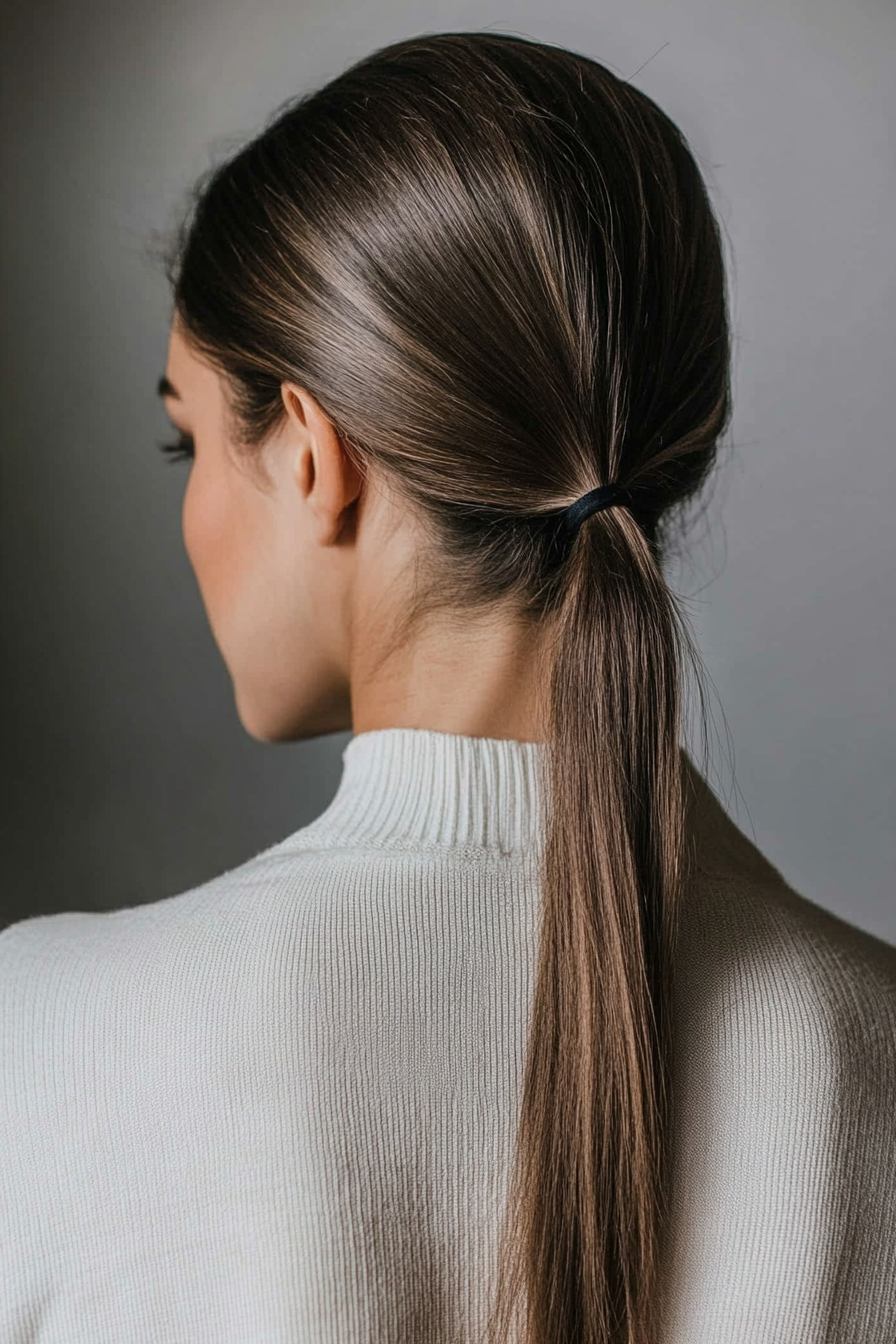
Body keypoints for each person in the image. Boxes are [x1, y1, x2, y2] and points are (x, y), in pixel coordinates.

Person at [1, 30, 894, 1344]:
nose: (188, 501)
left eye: (187, 437)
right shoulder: (872, 1047)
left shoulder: (54, 1048)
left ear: (311, 453)